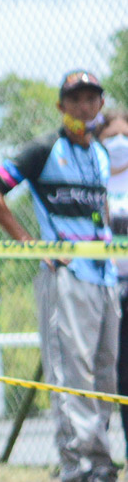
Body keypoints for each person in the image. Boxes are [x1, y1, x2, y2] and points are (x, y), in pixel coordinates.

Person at [0, 69, 122, 482]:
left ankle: (99, 464)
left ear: (100, 105)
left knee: (103, 372)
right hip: (66, 278)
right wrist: (31, 245)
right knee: (70, 373)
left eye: (91, 98)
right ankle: (74, 470)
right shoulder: (45, 150)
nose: (84, 106)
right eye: (74, 99)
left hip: (104, 277)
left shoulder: (99, 155)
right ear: (62, 107)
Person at [99, 109, 128, 454]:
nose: (119, 143)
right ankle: (97, 455)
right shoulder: (95, 179)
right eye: (111, 137)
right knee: (105, 373)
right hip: (103, 288)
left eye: (125, 136)